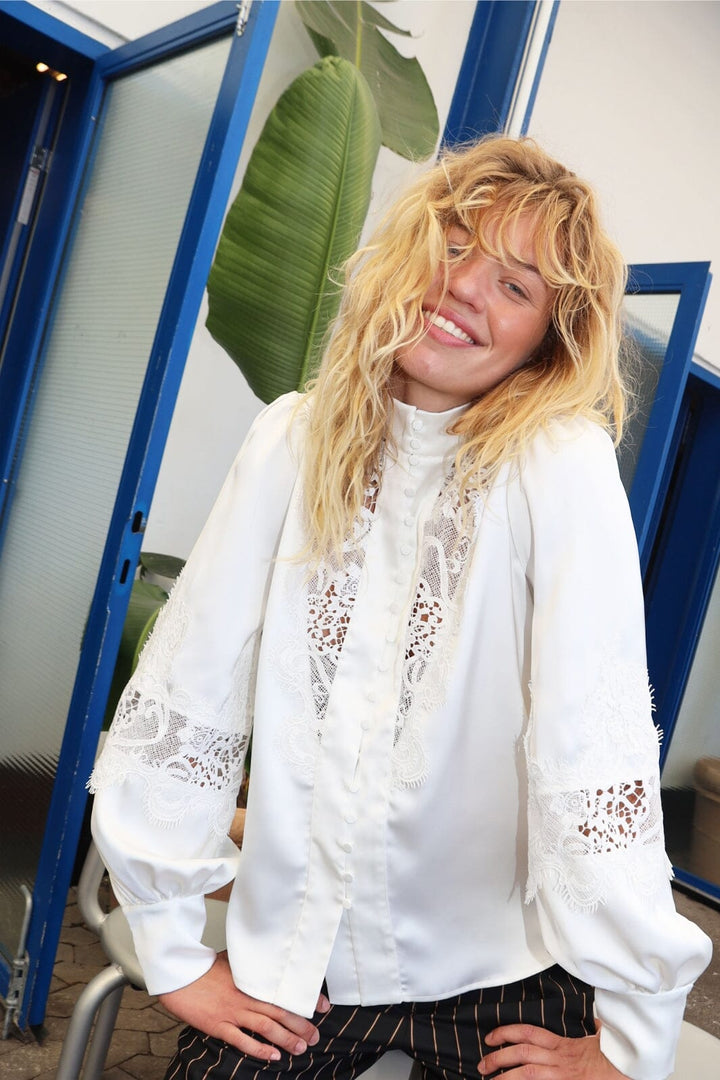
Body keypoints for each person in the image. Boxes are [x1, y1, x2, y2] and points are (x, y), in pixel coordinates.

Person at [90, 135, 711, 1080]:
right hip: (300, 955)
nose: (463, 288)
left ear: (548, 337)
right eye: (452, 248)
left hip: (505, 969)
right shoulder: (292, 440)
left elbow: (594, 749)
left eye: (514, 285)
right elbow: (192, 685)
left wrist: (631, 1038)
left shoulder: (558, 465)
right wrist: (173, 952)